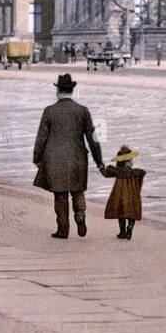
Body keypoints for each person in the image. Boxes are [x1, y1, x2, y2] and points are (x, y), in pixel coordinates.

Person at [32, 73, 105, 239]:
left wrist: (37, 159)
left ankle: (63, 228)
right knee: (78, 191)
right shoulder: (83, 111)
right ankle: (80, 215)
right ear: (72, 91)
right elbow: (93, 139)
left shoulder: (49, 111)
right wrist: (99, 161)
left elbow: (41, 138)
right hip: (78, 158)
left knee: (60, 194)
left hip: (55, 160)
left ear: (58, 91)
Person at [98, 145, 146, 240]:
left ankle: (122, 232)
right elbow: (140, 182)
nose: (132, 161)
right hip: (133, 194)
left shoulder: (117, 171)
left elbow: (105, 174)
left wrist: (101, 167)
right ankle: (130, 227)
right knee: (132, 212)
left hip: (119, 194)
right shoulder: (136, 173)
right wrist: (137, 192)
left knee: (121, 212)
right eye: (131, 159)